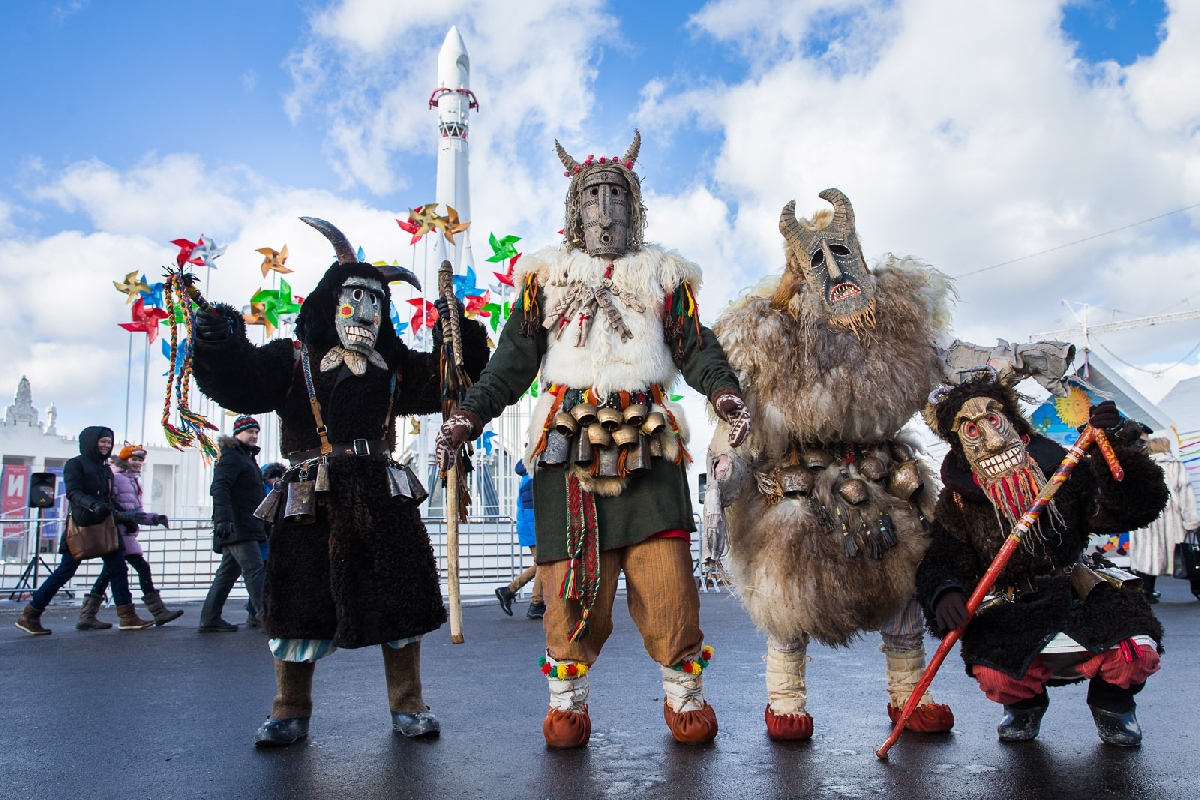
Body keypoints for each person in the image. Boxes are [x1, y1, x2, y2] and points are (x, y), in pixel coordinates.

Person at [437, 131, 750, 748]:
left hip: (648, 448)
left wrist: (724, 392)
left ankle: (685, 698)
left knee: (667, 581)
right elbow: (510, 363)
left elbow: (697, 348)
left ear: (636, 209)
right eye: (592, 199)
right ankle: (567, 706)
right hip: (568, 452)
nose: (605, 212)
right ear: (574, 211)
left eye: (616, 198)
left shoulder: (665, 277)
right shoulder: (544, 280)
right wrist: (469, 415)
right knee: (569, 585)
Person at [191, 216, 488, 747]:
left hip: (381, 493)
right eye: (356, 297)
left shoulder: (395, 366)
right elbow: (240, 383)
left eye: (377, 301)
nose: (367, 311)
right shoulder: (291, 358)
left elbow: (455, 380)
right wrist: (220, 345)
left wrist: (459, 334)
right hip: (309, 497)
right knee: (298, 604)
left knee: (401, 600)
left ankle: (409, 703)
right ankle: (289, 707)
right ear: (329, 301)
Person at [917, 379, 1167, 746]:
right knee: (996, 670)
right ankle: (1025, 706)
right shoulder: (956, 504)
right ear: (959, 443)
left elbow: (1129, 509)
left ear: (1012, 421)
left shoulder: (1065, 469)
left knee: (1133, 650)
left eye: (994, 419)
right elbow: (940, 559)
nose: (992, 440)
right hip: (1014, 606)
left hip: (1082, 593)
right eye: (972, 429)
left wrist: (1109, 447)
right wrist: (944, 592)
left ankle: (1113, 705)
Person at [15, 426, 155, 635]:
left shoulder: (105, 468)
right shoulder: (75, 464)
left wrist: (125, 517)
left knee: (118, 569)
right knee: (65, 572)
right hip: (83, 527)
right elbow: (73, 492)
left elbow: (108, 500)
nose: (106, 445)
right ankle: (31, 615)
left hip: (105, 526)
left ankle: (127, 616)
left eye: (108, 442)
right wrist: (94, 505)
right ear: (91, 442)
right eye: (102, 441)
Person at [82, 444, 181, 629]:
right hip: (118, 532)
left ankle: (88, 614)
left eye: (140, 460)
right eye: (134, 459)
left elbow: (135, 512)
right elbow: (110, 504)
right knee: (141, 568)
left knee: (109, 573)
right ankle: (157, 612)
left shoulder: (131, 481)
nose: (137, 463)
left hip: (124, 532)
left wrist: (155, 518)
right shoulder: (118, 479)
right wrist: (126, 518)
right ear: (125, 460)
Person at [198, 416, 267, 633]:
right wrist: (224, 520)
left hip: (241, 524)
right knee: (255, 571)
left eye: (256, 432)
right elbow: (219, 487)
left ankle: (209, 618)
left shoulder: (244, 457)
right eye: (250, 432)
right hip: (238, 525)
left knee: (227, 574)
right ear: (237, 434)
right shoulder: (233, 457)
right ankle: (267, 617)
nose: (254, 436)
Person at [1129, 436, 1200, 602]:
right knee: (1185, 555)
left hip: (1146, 520)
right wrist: (1191, 521)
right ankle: (1197, 589)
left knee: (1147, 557)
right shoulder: (1175, 466)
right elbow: (1185, 495)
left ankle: (1146, 591)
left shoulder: (1140, 468)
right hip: (1172, 520)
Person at [495, 459, 545, 619]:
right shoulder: (531, 480)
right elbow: (532, 512)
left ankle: (510, 591)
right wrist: (541, 532)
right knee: (543, 564)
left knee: (541, 564)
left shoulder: (529, 478)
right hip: (534, 529)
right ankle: (535, 603)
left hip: (531, 529)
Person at [245, 461, 287, 628]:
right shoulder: (264, 493)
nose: (276, 479)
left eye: (279, 476)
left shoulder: (281, 491)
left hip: (273, 541)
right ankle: (255, 613)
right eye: (272, 476)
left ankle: (259, 613)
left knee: (267, 579)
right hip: (264, 541)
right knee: (261, 580)